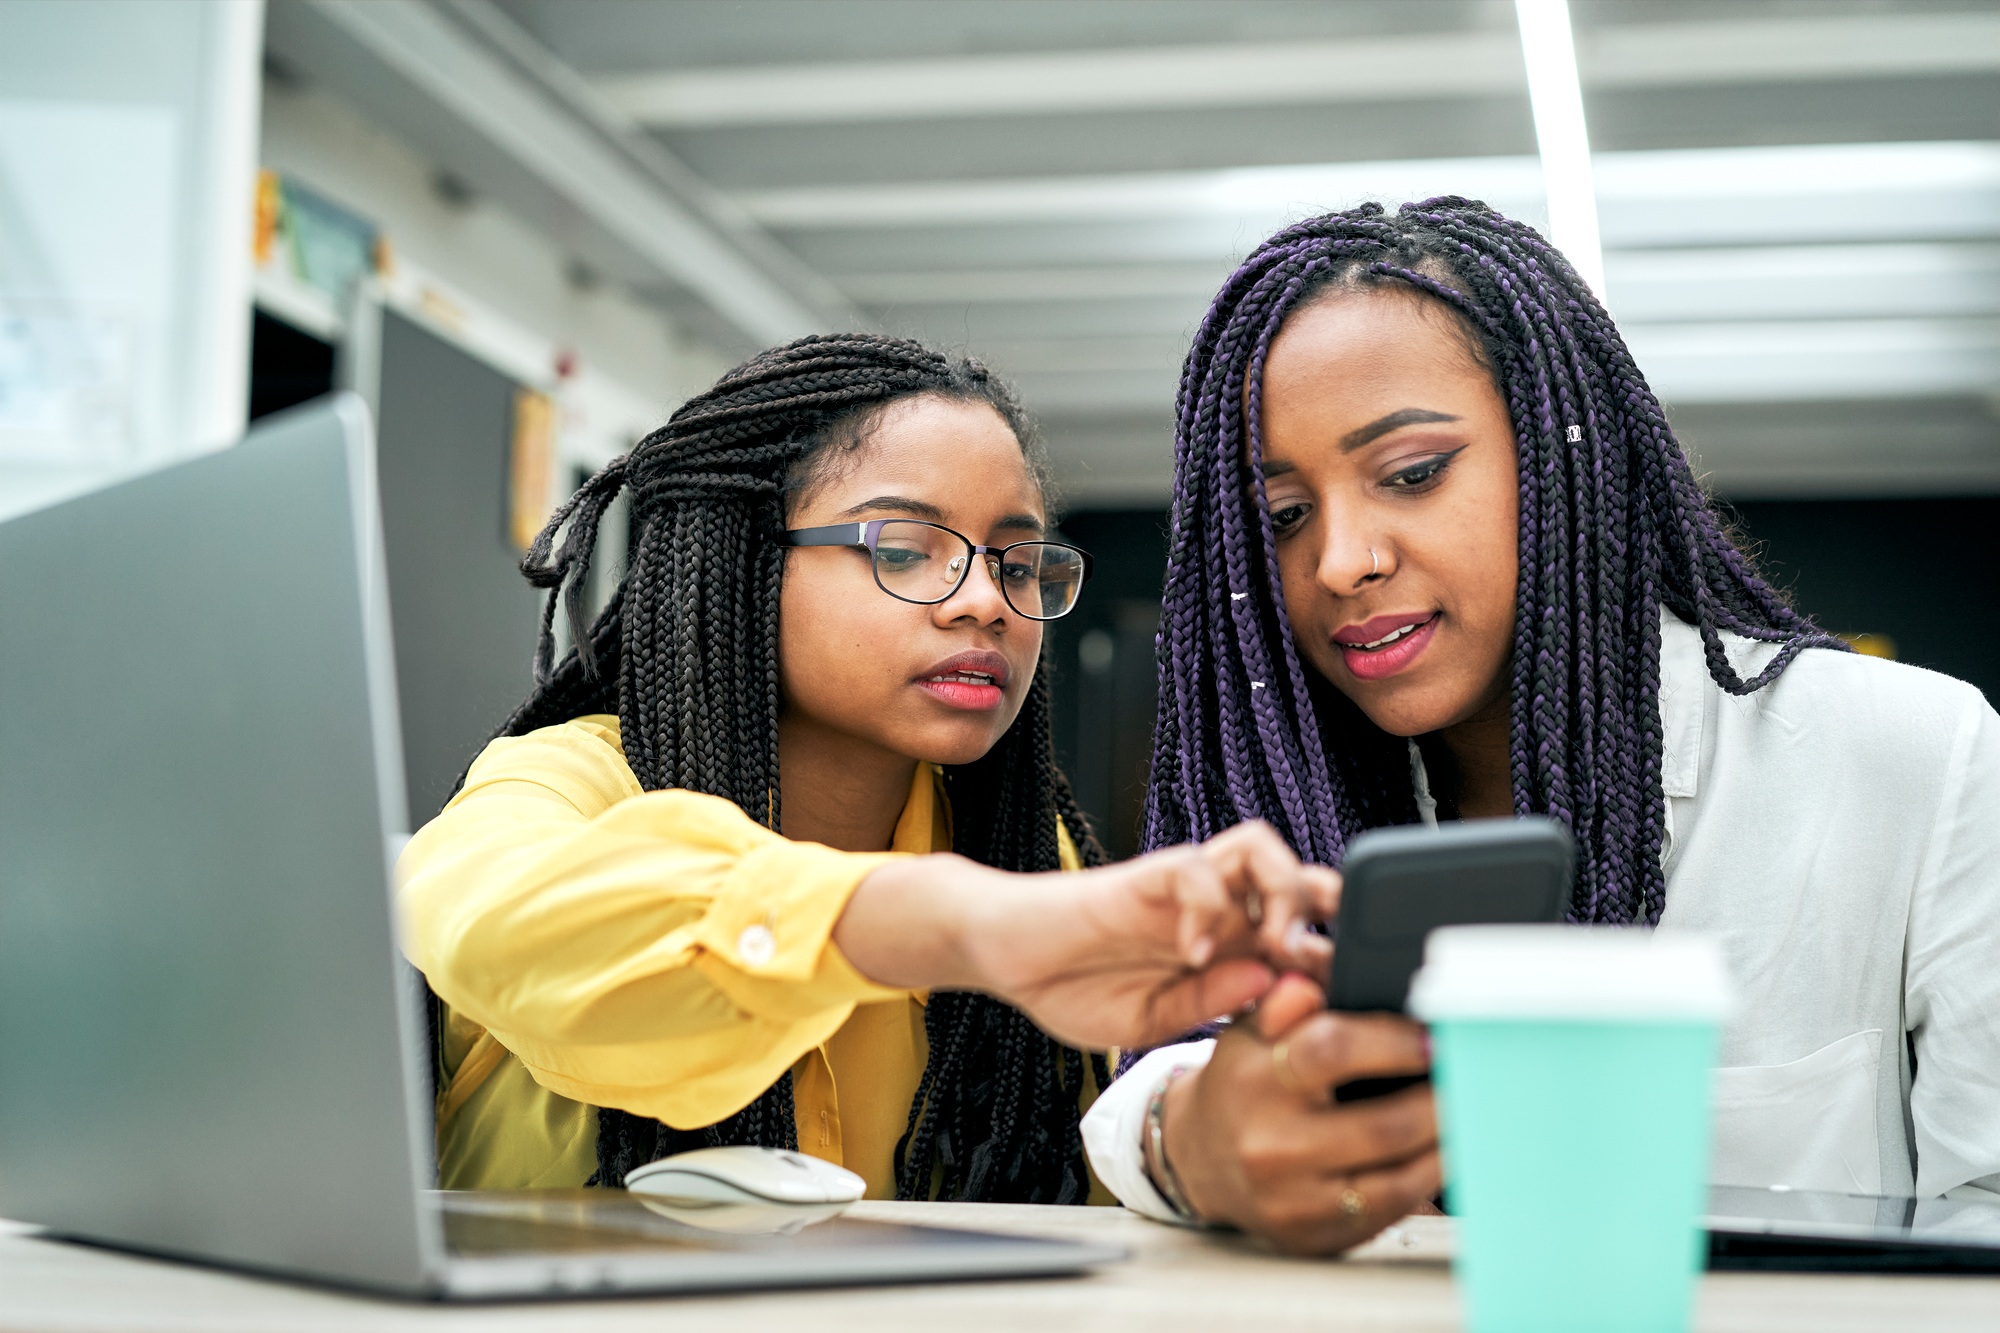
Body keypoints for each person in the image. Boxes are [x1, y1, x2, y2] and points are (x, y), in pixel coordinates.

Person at [1082, 199, 2000, 1252]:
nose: (1339, 561)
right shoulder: (1272, 805)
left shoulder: (1912, 756)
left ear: (1568, 457)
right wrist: (1182, 1134)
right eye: (1283, 515)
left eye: (1411, 473)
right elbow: (1162, 1086)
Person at [397, 334, 1335, 1205]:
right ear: (745, 564)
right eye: (901, 548)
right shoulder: (566, 785)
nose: (985, 603)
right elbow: (494, 920)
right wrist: (954, 925)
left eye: (1018, 564)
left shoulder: (1020, 851)